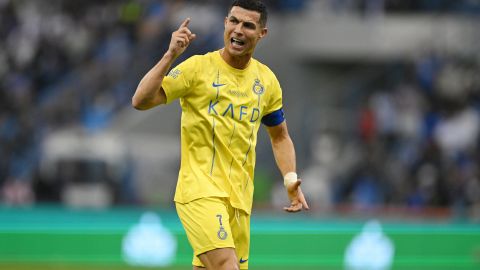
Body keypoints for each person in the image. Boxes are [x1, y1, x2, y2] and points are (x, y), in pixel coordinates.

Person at [132, 1, 309, 269]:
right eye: (234, 21)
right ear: (225, 22)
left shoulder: (267, 81)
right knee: (227, 265)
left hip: (239, 200)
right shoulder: (197, 68)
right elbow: (141, 101)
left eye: (248, 25)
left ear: (262, 33)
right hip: (199, 191)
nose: (238, 30)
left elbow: (280, 136)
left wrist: (291, 179)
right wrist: (170, 56)